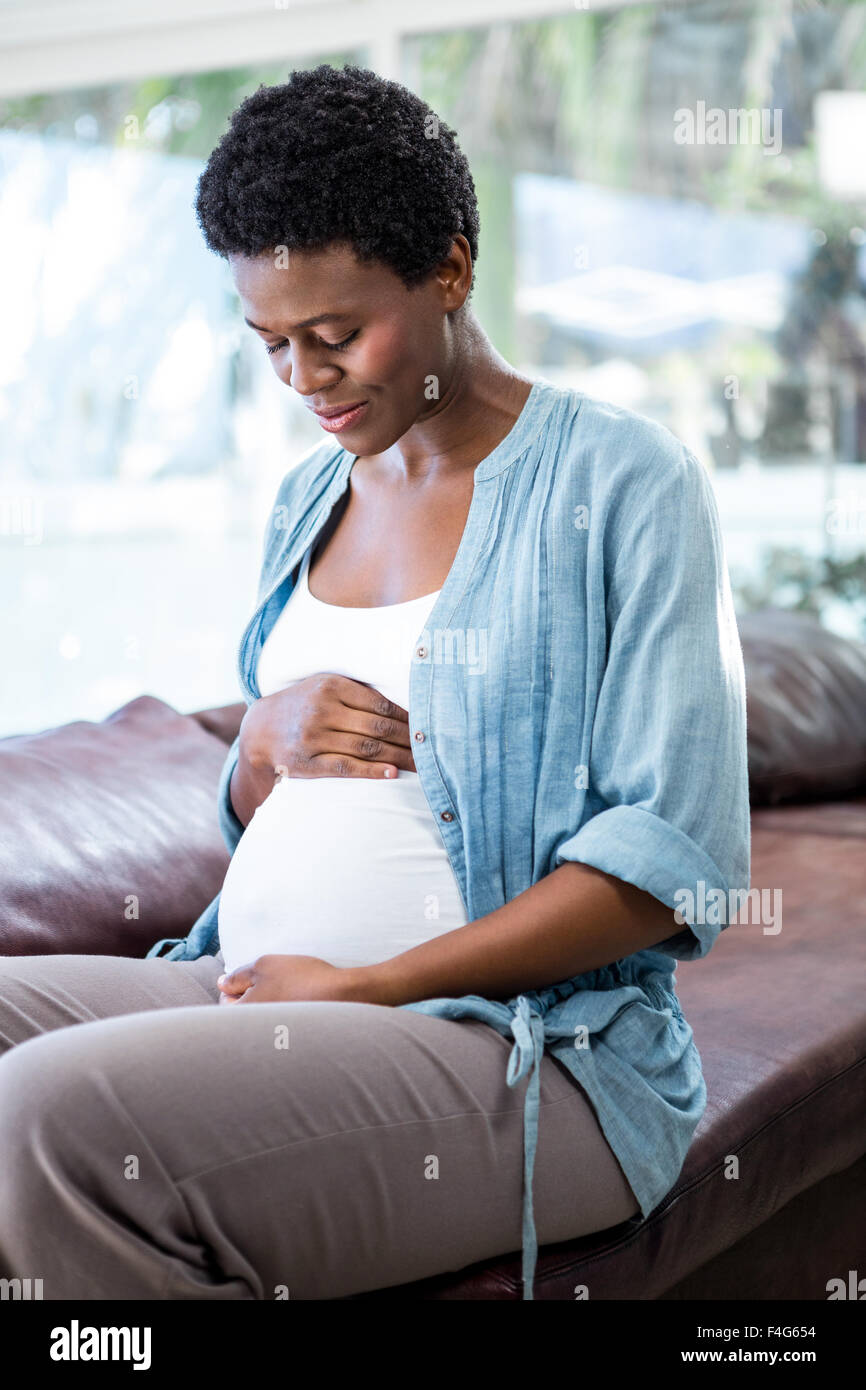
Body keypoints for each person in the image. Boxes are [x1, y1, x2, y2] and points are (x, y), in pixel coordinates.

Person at [0, 64, 750, 1301]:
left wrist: (369, 985)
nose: (304, 380)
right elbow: (269, 807)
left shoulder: (624, 481)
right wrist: (254, 749)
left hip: (523, 1048)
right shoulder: (309, 499)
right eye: (271, 343)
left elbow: (670, 863)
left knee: (37, 1121)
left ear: (450, 268)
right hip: (244, 979)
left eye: (336, 334)